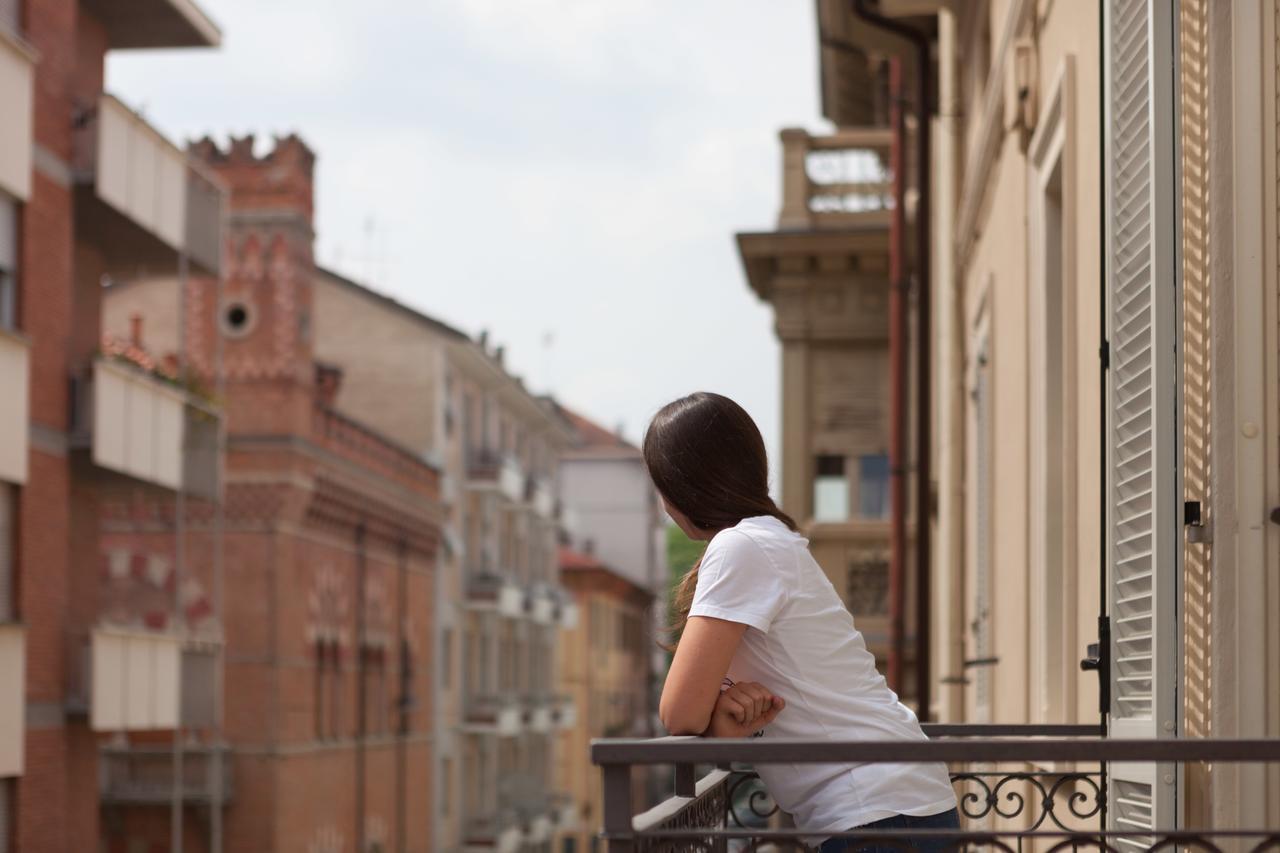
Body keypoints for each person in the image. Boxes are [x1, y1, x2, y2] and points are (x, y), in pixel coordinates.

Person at [646, 391, 959, 852]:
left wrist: (714, 710)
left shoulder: (742, 547)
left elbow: (677, 713)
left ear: (680, 487)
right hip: (897, 806)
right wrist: (728, 707)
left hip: (874, 815)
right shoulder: (769, 539)